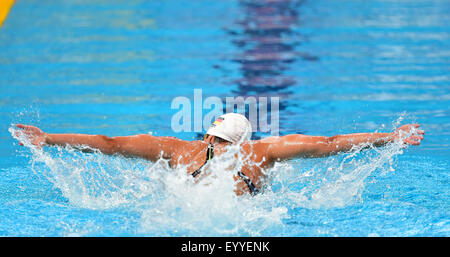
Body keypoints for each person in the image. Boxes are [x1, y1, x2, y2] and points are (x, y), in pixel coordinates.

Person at [14, 113, 425, 196]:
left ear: (208, 135)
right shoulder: (263, 154)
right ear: (243, 143)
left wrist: (48, 139)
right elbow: (331, 143)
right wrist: (391, 135)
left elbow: (108, 143)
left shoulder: (174, 150)